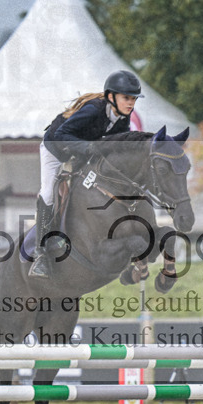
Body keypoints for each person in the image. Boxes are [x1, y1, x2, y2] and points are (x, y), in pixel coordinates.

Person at [30, 70, 143, 278]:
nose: (130, 103)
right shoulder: (93, 110)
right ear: (111, 97)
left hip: (82, 152)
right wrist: (88, 147)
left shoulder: (122, 120)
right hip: (56, 148)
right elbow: (63, 134)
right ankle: (40, 253)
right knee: (47, 192)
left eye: (133, 99)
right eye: (126, 98)